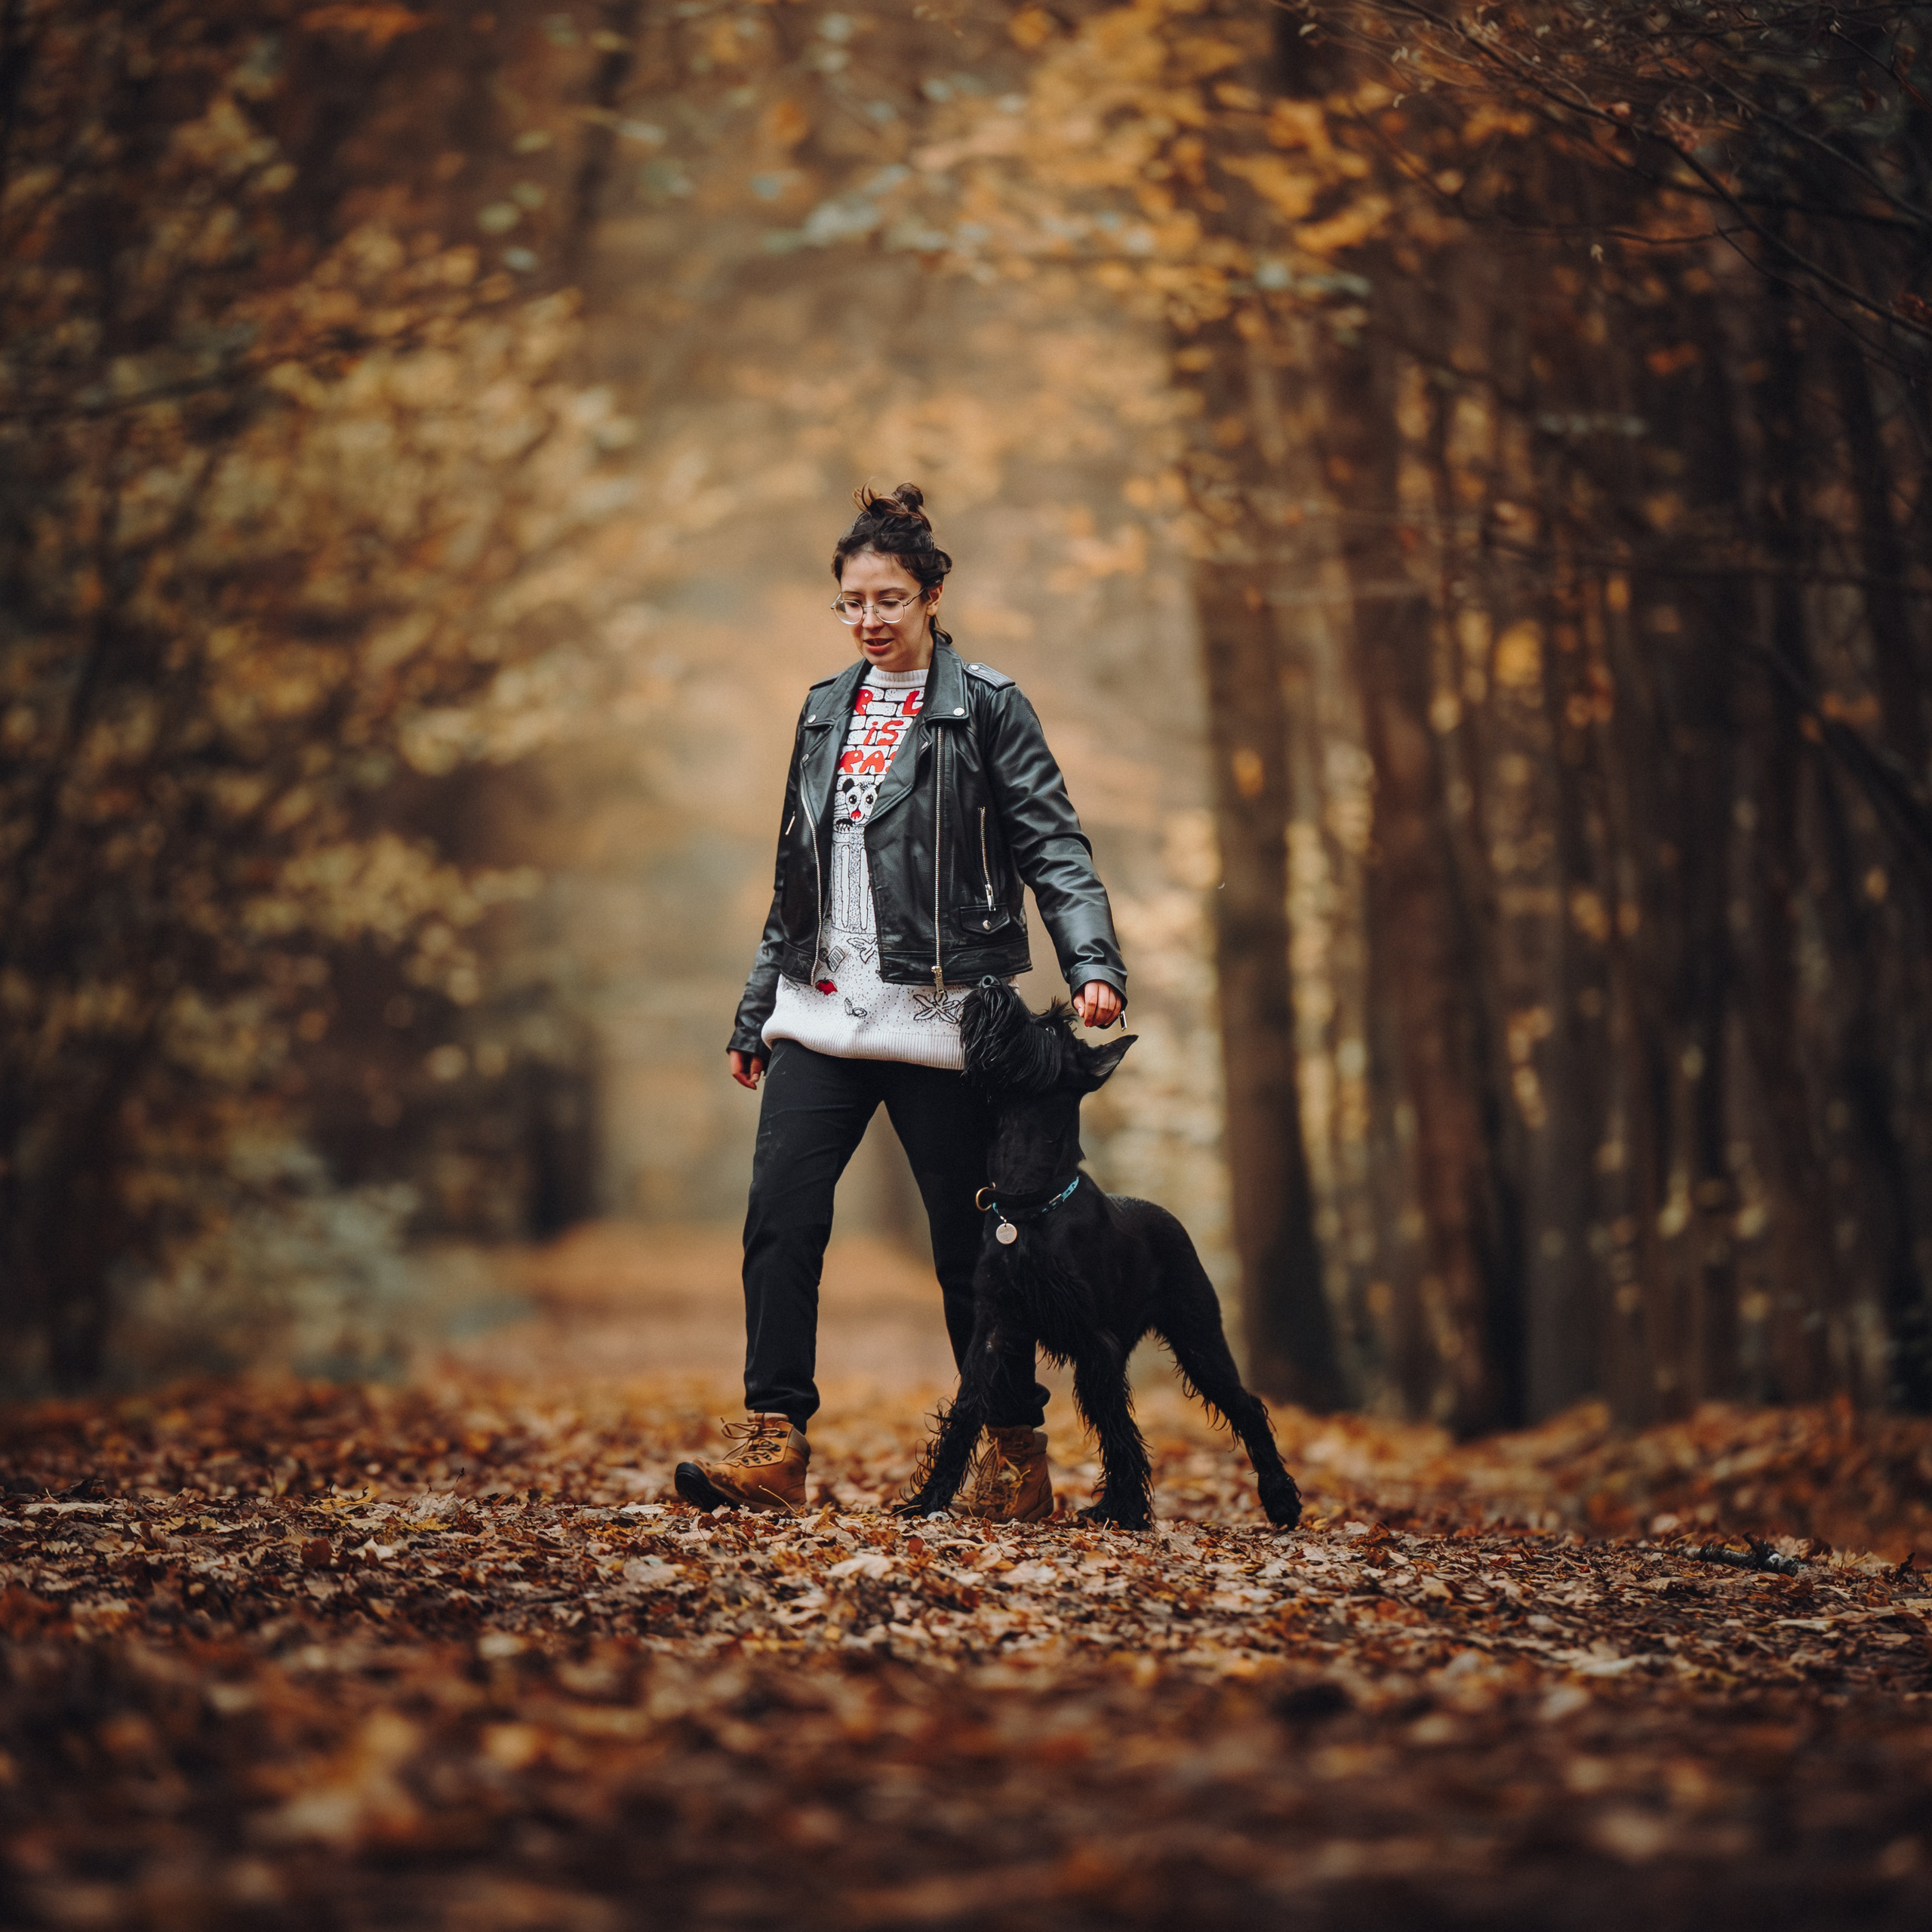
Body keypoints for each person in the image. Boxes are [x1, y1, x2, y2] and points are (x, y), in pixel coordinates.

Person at [673, 483, 1128, 1521]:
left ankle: (1011, 1450)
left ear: (931, 596)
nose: (869, 619)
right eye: (852, 602)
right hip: (819, 1014)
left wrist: (1092, 961)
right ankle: (774, 1442)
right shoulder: (823, 707)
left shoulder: (989, 705)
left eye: (889, 599)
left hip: (939, 1018)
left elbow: (1054, 844)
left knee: (972, 1254)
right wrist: (757, 1008)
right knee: (780, 1223)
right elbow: (797, 873)